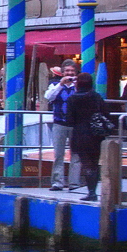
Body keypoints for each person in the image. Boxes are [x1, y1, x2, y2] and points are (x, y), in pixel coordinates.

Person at [66, 72, 109, 201]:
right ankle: (93, 191)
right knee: (94, 163)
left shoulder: (72, 99)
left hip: (80, 133)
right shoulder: (96, 97)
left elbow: (69, 120)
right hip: (96, 133)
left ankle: (91, 193)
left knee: (86, 163)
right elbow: (105, 112)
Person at [45, 60, 79, 191]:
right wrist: (61, 84)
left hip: (75, 124)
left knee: (76, 155)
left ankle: (74, 183)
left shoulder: (79, 86)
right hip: (59, 123)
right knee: (58, 154)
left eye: (72, 71)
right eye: (67, 71)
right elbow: (49, 97)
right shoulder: (54, 85)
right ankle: (57, 182)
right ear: (62, 73)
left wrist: (76, 85)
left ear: (75, 72)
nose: (70, 73)